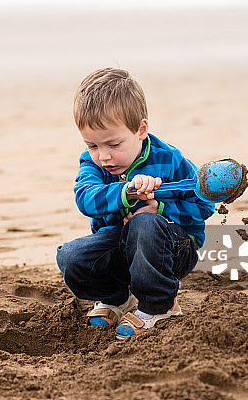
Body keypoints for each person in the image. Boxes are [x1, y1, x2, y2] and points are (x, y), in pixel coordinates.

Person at [56, 67, 215, 339]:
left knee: (145, 223)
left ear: (141, 130)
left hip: (173, 251)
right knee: (71, 257)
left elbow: (203, 204)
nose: (103, 156)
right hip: (121, 247)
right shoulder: (93, 165)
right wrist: (126, 192)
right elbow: (86, 198)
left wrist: (160, 209)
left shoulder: (170, 159)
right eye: (92, 146)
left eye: (113, 144)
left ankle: (158, 305)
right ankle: (116, 298)